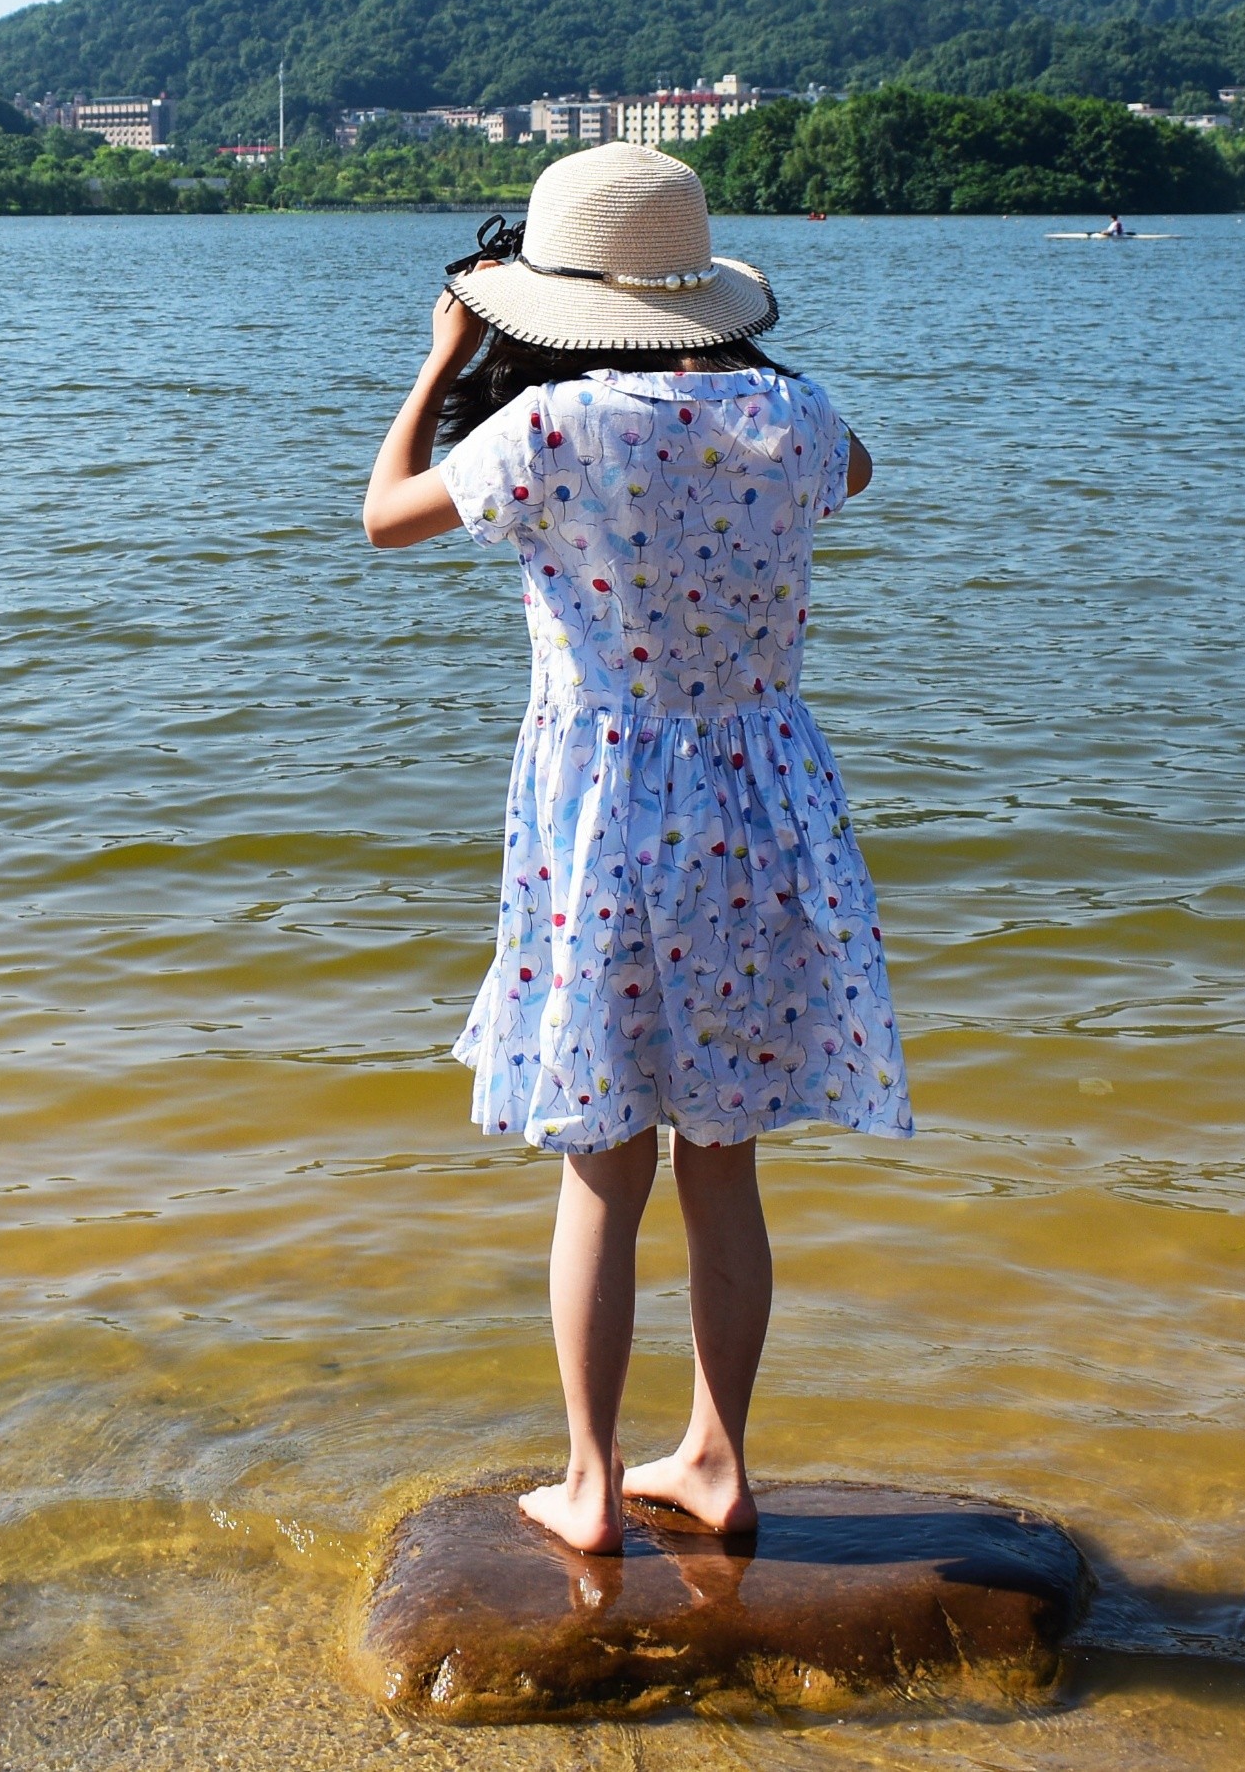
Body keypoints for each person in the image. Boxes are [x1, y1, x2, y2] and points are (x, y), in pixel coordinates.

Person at [361, 143, 911, 1555]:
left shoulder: (546, 432)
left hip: (600, 809)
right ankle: (717, 1459)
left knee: (601, 1158)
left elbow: (383, 518)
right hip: (763, 798)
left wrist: (442, 362)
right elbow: (850, 468)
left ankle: (592, 1481)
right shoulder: (797, 412)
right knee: (720, 1158)